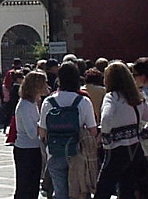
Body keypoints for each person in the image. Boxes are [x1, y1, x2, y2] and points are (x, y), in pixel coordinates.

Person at [95, 61, 148, 199]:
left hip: (116, 150)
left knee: (104, 189)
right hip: (135, 149)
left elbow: (106, 119)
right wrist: (141, 135)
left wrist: (106, 138)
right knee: (128, 189)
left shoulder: (112, 97)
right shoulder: (137, 99)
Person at [39, 61, 98, 199]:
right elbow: (93, 131)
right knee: (80, 192)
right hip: (78, 153)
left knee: (60, 193)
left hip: (55, 152)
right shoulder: (83, 101)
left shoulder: (49, 102)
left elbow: (42, 131)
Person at [13, 71, 48, 199]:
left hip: (33, 148)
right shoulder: (24, 105)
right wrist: (44, 123)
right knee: (24, 186)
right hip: (25, 150)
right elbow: (32, 133)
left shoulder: (32, 103)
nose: (46, 86)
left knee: (33, 187)